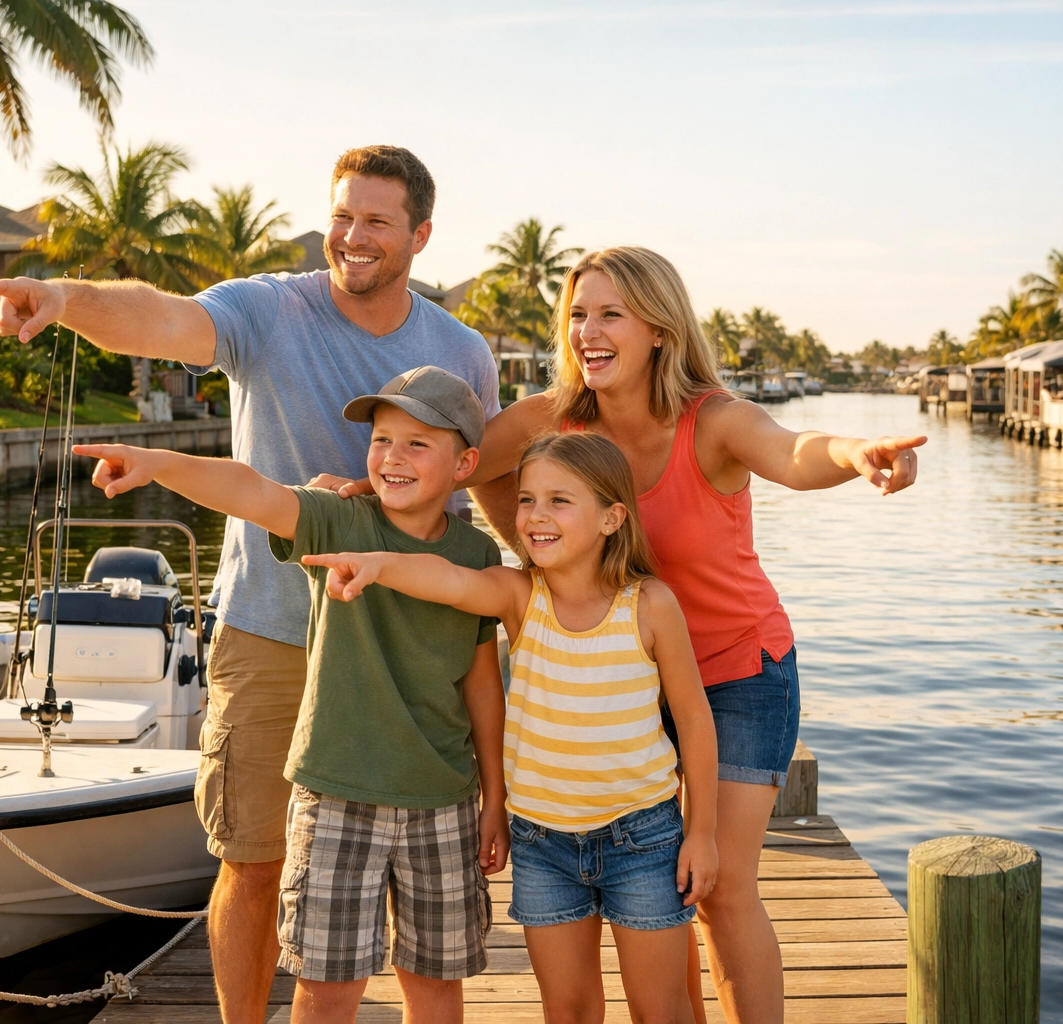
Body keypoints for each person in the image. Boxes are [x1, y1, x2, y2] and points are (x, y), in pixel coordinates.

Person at [321, 247, 921, 1023]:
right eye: (577, 314)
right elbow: (452, 462)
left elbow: (793, 451)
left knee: (721, 886)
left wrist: (856, 455)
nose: (588, 332)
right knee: (664, 898)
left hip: (736, 671)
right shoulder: (551, 419)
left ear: (660, 330)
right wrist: (370, 489)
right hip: (619, 670)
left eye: (610, 314)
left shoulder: (716, 420)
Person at [0, 147, 500, 1024]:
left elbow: (473, 489)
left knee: (416, 901)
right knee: (253, 862)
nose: (352, 236)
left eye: (376, 220)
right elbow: (161, 319)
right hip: (270, 635)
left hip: (407, 655)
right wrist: (67, 302)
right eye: (342, 214)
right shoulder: (270, 307)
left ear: (420, 234)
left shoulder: (462, 352)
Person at [72, 366, 507, 1024]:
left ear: (464, 463)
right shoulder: (334, 520)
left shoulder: (478, 556)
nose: (392, 456)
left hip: (442, 803)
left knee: (436, 987)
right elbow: (249, 489)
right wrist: (156, 462)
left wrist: (494, 797)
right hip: (336, 799)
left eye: (418, 443)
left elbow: (481, 682)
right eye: (382, 438)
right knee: (326, 990)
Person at [302, 431, 719, 1024]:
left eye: (559, 501)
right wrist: (377, 565)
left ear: (612, 518)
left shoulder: (650, 605)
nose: (536, 516)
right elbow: (450, 581)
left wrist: (700, 833)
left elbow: (696, 724)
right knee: (568, 1010)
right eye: (526, 500)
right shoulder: (520, 597)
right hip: (543, 844)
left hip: (645, 839)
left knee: (661, 1010)